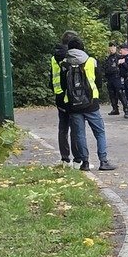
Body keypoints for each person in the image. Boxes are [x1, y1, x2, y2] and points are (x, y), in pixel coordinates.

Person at [59, 35, 117, 171]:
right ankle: (103, 161)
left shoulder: (64, 64)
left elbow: (63, 86)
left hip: (73, 105)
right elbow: (99, 82)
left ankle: (84, 162)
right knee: (100, 132)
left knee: (79, 134)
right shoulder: (91, 61)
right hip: (91, 102)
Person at [50, 32, 86, 167]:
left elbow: (52, 76)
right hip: (72, 94)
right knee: (76, 127)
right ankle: (78, 159)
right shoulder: (72, 56)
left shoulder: (54, 57)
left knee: (63, 127)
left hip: (59, 94)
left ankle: (65, 158)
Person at [103, 43, 124, 115]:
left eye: (112, 47)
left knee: (120, 93)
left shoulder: (119, 57)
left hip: (116, 77)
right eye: (110, 48)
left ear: (115, 48)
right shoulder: (108, 58)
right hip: (110, 78)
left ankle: (126, 108)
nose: (111, 49)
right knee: (111, 94)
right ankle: (115, 109)